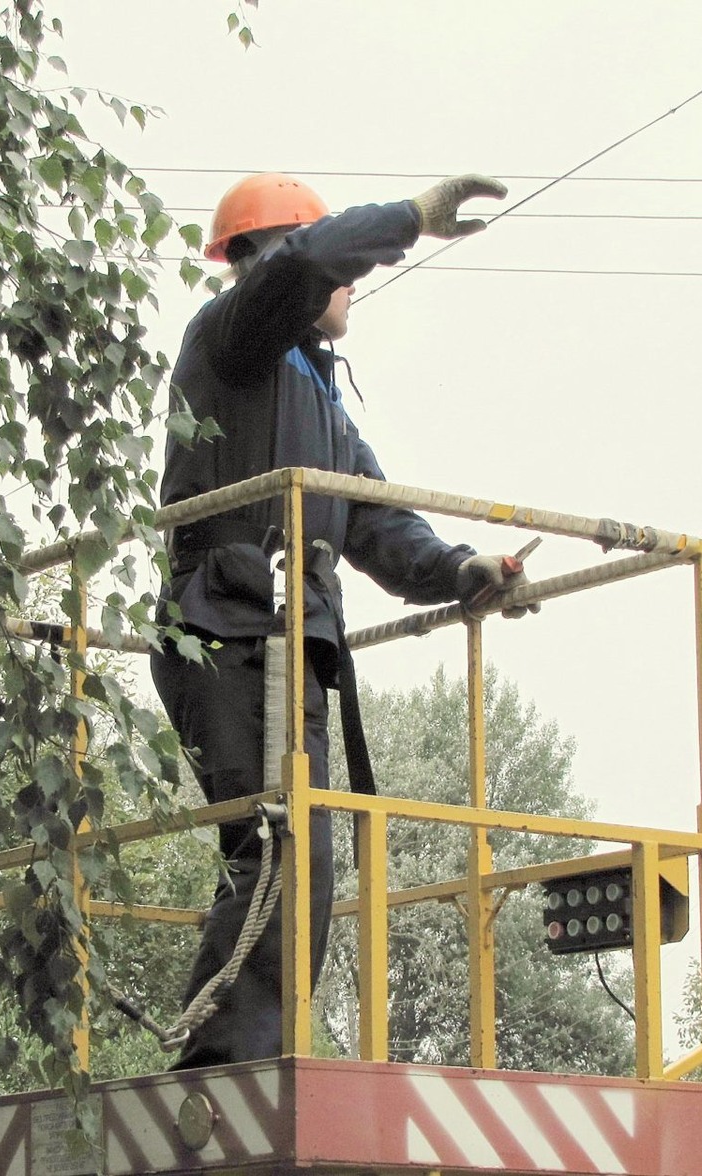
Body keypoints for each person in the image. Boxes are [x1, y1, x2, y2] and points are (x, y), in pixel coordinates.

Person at [150, 172, 538, 1069]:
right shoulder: (234, 337)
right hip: (233, 628)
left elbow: (372, 514)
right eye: (340, 271)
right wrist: (412, 218)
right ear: (282, 261)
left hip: (286, 639)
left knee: (296, 859)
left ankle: (244, 1052)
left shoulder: (315, 400)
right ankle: (227, 1067)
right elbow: (309, 261)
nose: (351, 286)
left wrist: (460, 572)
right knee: (283, 855)